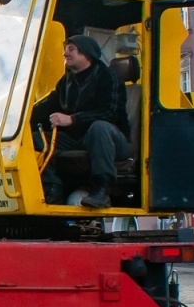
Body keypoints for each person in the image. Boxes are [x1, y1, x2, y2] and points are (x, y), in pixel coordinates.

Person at [30, 35, 132, 209]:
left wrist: (72, 119)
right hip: (78, 139)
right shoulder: (67, 80)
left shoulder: (107, 78)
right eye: (65, 48)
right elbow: (48, 105)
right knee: (35, 139)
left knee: (99, 127)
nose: (65, 53)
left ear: (87, 53)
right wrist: (23, 116)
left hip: (113, 142)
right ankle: (52, 189)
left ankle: (102, 189)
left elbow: (109, 113)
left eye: (71, 49)